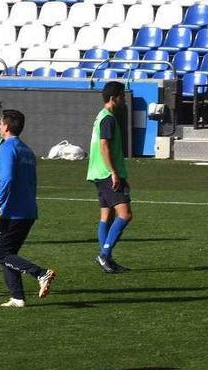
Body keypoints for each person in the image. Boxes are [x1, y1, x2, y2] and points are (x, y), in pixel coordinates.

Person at [0, 109, 56, 307]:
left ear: (6, 126)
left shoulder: (7, 148)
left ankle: (41, 273)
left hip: (13, 211)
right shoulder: (27, 150)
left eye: (1, 124)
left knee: (1, 254)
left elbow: (6, 179)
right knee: (9, 254)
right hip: (28, 210)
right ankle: (17, 297)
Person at [87, 81, 132, 274]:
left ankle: (107, 259)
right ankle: (104, 255)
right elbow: (104, 145)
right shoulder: (108, 119)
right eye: (122, 96)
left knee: (107, 215)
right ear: (113, 98)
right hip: (107, 173)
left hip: (98, 173)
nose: (124, 100)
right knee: (125, 214)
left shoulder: (101, 116)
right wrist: (114, 172)